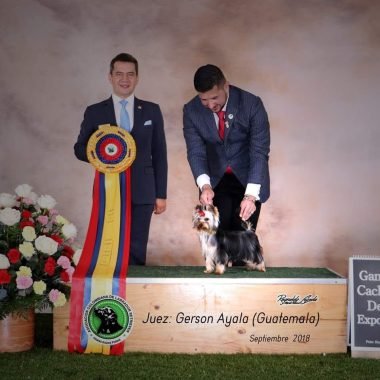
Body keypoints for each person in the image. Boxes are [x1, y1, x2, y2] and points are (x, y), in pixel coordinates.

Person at [74, 53, 168, 265]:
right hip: (109, 191)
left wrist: (160, 193)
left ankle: (133, 296)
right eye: (119, 74)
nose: (125, 79)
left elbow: (160, 153)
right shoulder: (95, 111)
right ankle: (109, 296)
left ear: (137, 78)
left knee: (136, 250)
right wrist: (99, 151)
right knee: (109, 249)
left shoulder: (152, 110)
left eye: (130, 74)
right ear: (110, 77)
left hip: (143, 191)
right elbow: (79, 148)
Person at [183, 64, 270, 233]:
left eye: (214, 97)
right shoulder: (191, 110)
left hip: (248, 179)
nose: (209, 104)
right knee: (216, 244)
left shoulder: (252, 104)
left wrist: (250, 196)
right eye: (204, 99)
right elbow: (195, 151)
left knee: (242, 245)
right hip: (216, 181)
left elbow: (259, 151)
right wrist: (205, 186)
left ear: (226, 86)